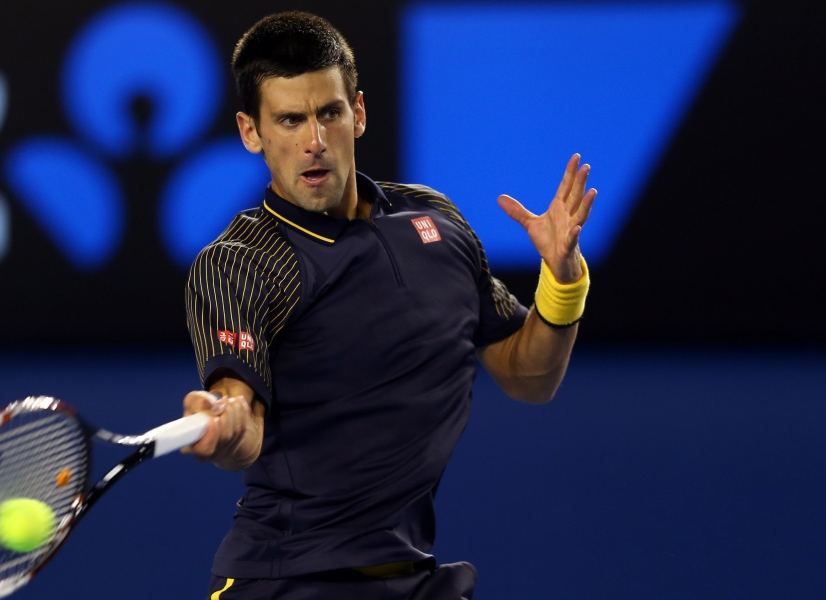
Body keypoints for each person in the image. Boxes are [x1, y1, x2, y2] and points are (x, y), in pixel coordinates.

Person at [180, 10, 595, 599]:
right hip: (286, 583)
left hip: (412, 577)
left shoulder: (435, 221)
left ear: (359, 113)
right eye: (290, 120)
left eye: (329, 113)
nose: (314, 141)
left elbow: (529, 374)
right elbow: (240, 416)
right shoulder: (241, 262)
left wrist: (562, 279)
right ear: (252, 132)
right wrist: (225, 423)